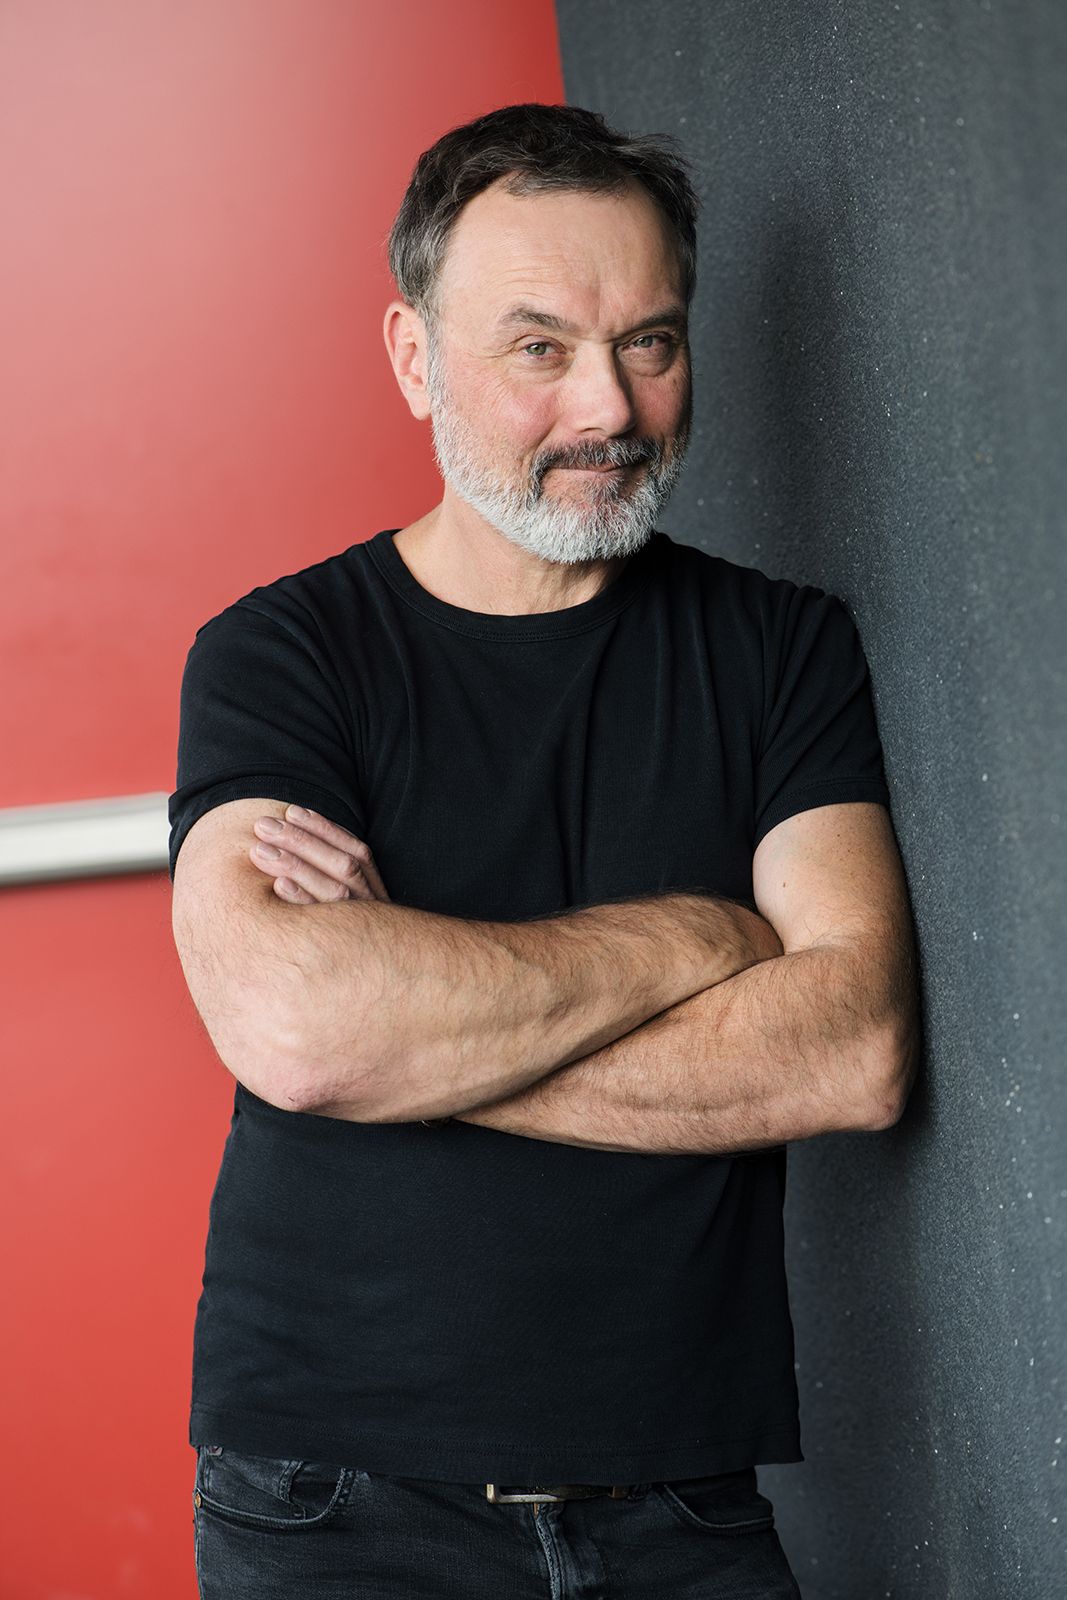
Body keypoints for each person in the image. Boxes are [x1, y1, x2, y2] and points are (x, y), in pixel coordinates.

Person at [169, 101, 920, 1599]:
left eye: (651, 341)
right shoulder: (279, 654)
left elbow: (851, 1052)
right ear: (414, 358)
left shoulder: (782, 649)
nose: (608, 406)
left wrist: (421, 1040)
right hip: (332, 1502)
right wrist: (705, 940)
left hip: (684, 1499)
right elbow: (299, 1029)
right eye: (539, 348)